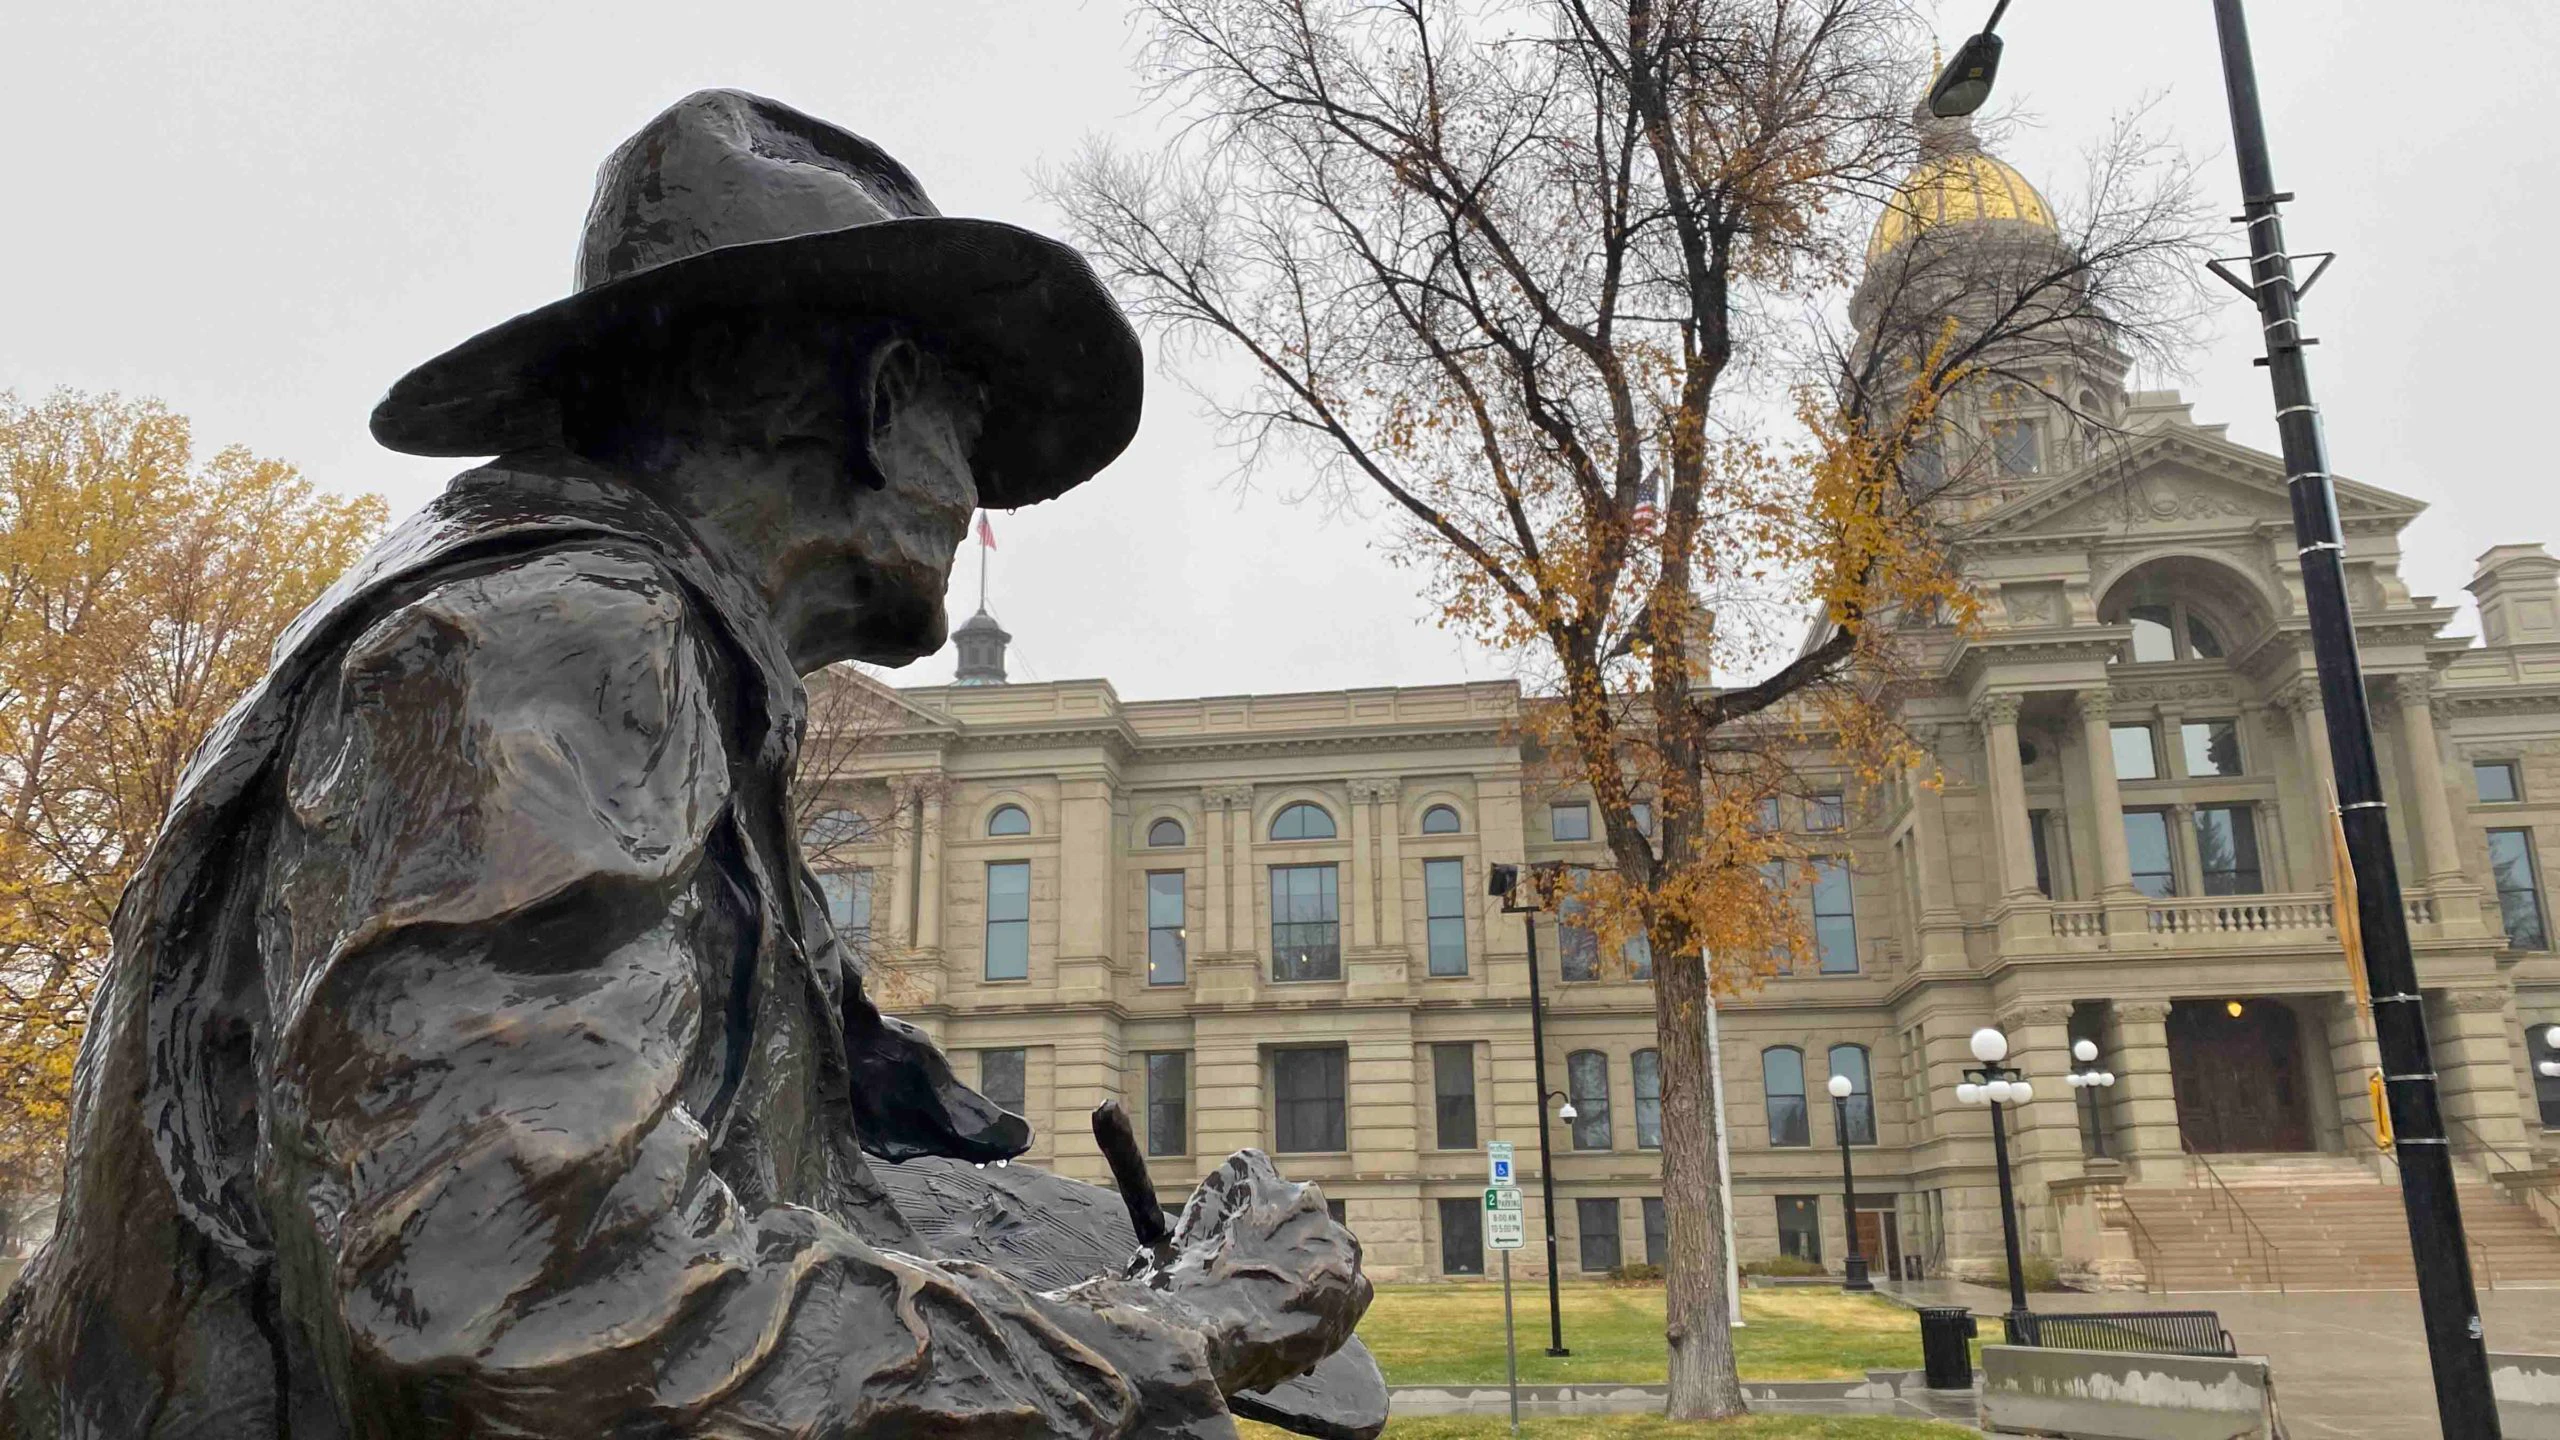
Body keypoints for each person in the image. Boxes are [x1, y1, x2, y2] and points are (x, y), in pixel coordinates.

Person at [0, 89, 1369, 1438]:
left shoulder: (626, 655)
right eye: (966, 426)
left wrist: (1095, 1259)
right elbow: (532, 1304)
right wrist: (1179, 1333)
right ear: (880, 401)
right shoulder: (559, 638)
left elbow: (741, 1190)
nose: (974, 495)